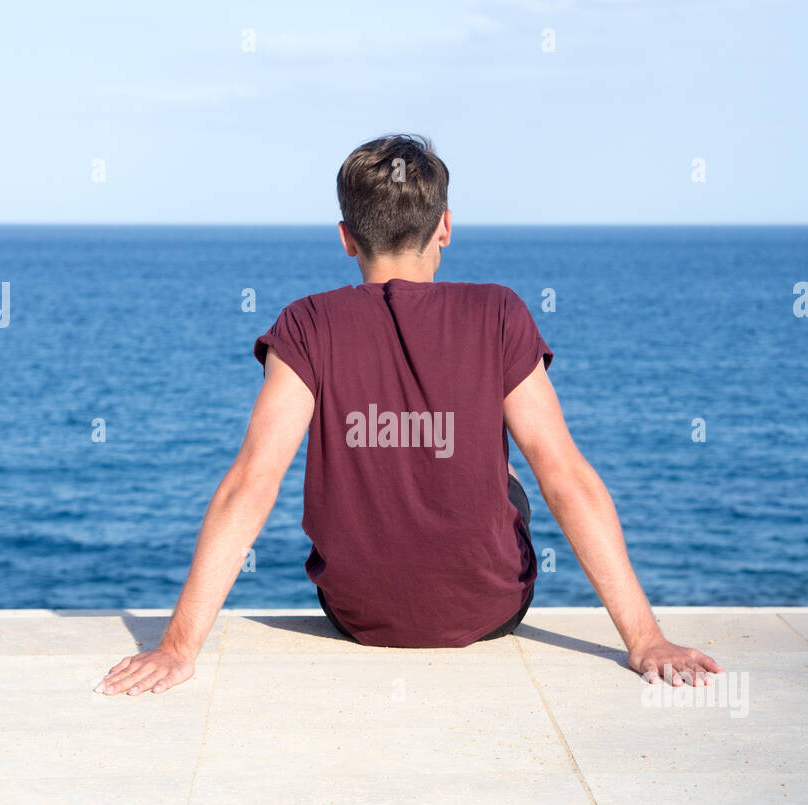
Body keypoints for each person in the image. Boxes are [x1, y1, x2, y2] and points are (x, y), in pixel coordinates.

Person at [98, 134, 721, 695]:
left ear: (346, 237)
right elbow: (566, 477)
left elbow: (251, 483)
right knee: (512, 483)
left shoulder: (306, 323)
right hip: (488, 609)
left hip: (359, 615)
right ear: (444, 227)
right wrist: (646, 640)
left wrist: (178, 647)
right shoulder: (499, 313)